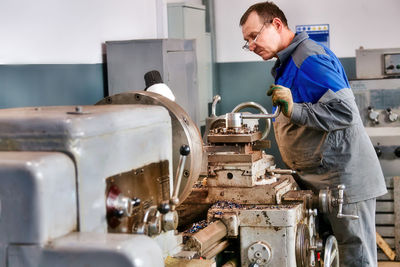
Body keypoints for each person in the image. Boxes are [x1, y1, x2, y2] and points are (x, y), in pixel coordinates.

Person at [240, 2, 387, 266]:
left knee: (358, 258)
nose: (251, 45)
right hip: (324, 179)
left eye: (254, 36)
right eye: (246, 41)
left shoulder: (308, 58)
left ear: (276, 24)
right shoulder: (287, 63)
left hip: (344, 181)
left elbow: (345, 112)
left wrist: (295, 110)